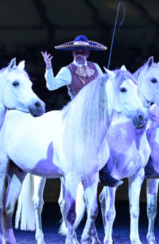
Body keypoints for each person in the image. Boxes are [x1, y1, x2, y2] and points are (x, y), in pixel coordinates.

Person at [42, 35, 122, 187]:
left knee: (106, 136)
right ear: (72, 53)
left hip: (96, 113)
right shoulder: (67, 70)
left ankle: (104, 173)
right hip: (78, 112)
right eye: (76, 51)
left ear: (88, 53)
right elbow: (51, 86)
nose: (79, 54)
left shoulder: (96, 67)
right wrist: (48, 67)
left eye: (82, 51)